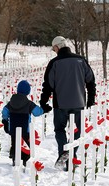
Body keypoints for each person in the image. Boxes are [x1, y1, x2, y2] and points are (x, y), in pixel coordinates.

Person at [39, 36, 96, 171]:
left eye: (54, 48)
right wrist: (91, 99)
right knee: (79, 130)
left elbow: (48, 85)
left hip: (61, 104)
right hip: (78, 102)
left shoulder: (54, 63)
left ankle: (64, 153)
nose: (54, 51)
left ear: (58, 47)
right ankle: (71, 154)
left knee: (60, 129)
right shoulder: (81, 60)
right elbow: (90, 81)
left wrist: (43, 102)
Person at [2, 80, 43, 166]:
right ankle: (25, 159)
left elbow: (5, 112)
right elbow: (37, 112)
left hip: (13, 129)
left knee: (15, 142)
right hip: (25, 130)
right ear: (28, 91)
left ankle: (14, 156)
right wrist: (43, 109)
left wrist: (5, 121)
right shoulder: (29, 104)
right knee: (25, 145)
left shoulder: (11, 103)